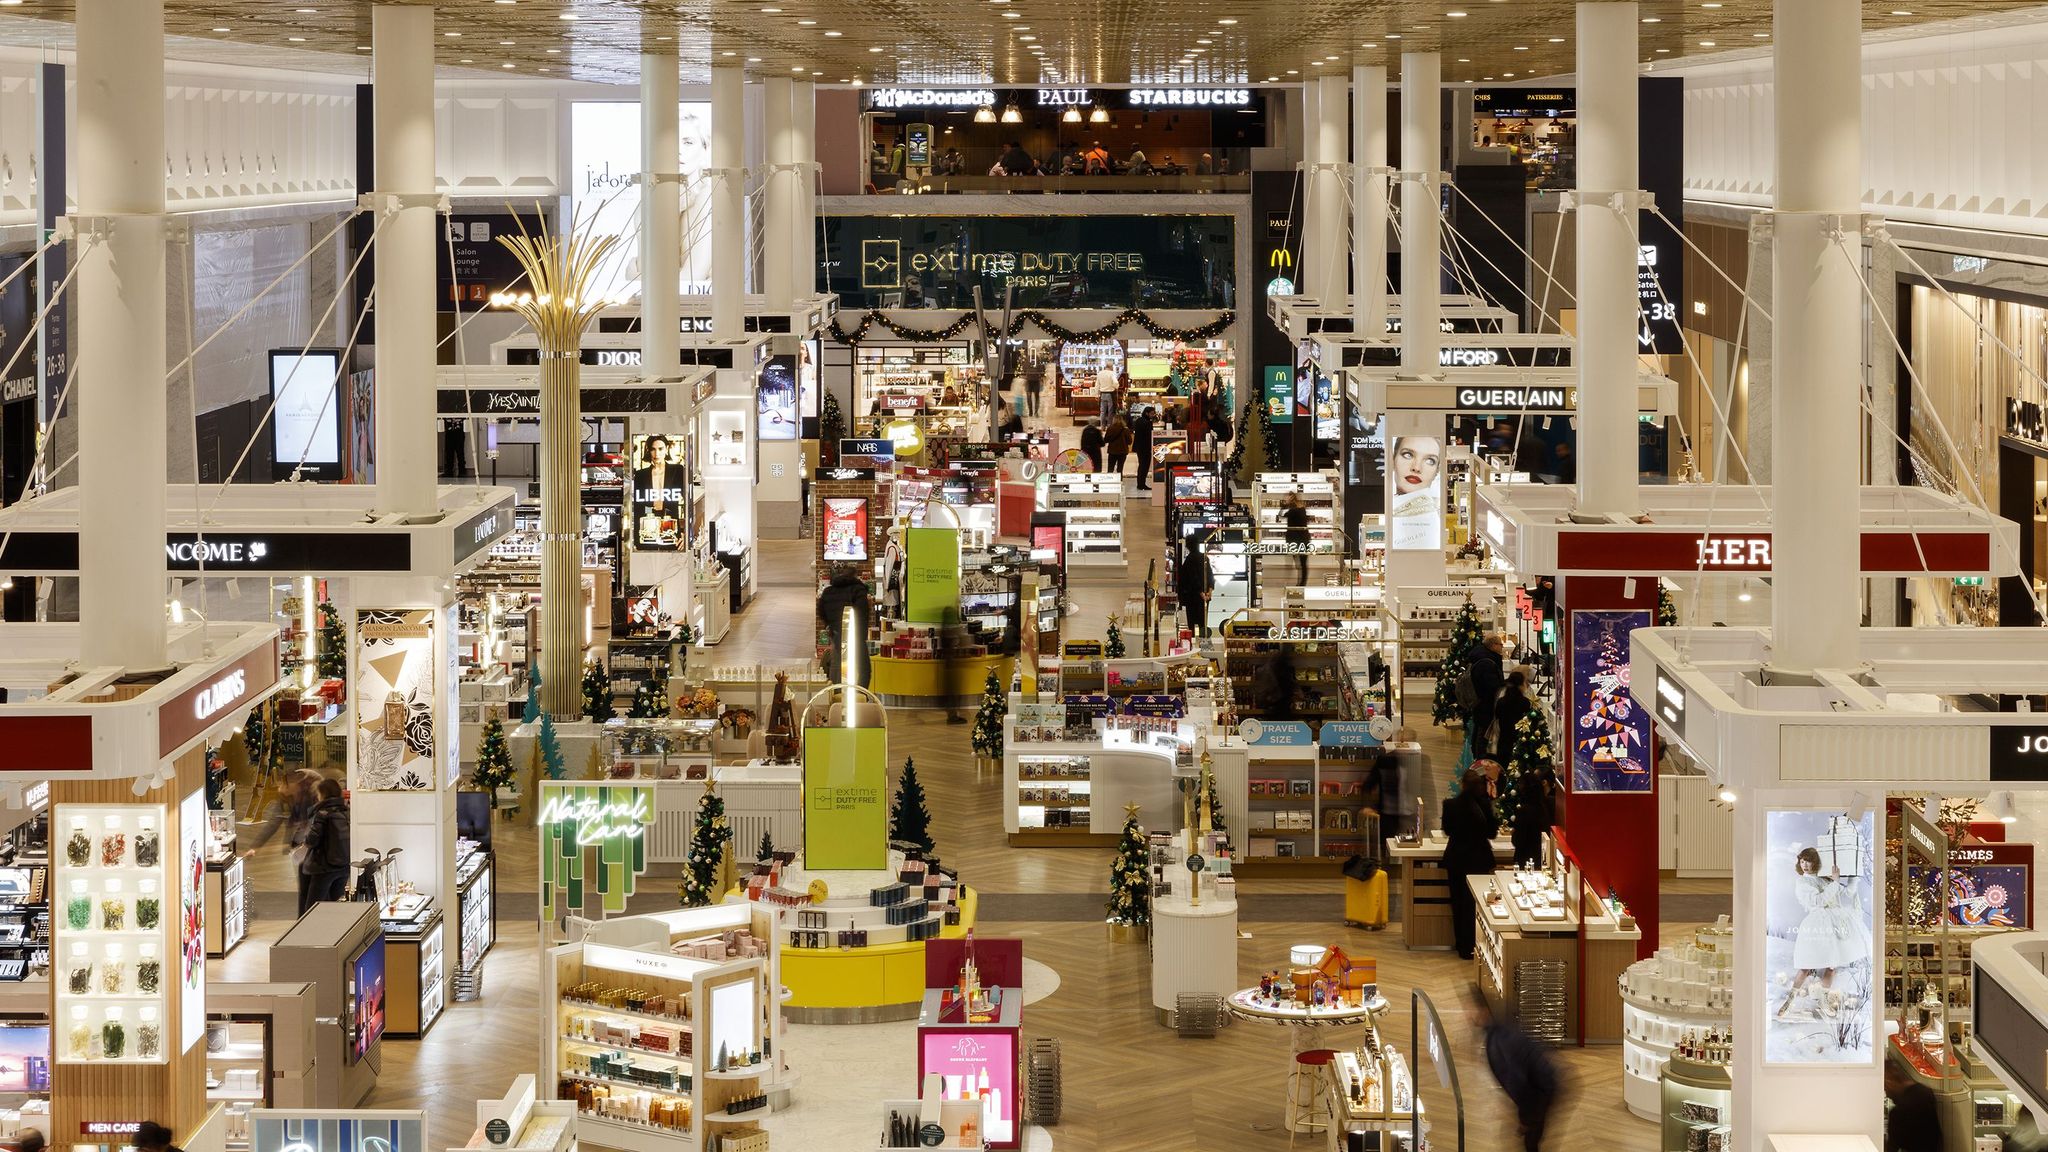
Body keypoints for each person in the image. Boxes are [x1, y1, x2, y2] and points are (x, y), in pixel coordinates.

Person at [1778, 845, 1869, 1020]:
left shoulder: (1825, 879)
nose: (1805, 864)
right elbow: (1818, 901)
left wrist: (1853, 872)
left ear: (1816, 862)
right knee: (1806, 965)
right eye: (1802, 860)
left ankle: (1824, 1001)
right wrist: (1834, 882)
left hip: (1835, 924)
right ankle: (1789, 1002)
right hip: (1817, 925)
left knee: (1831, 965)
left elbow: (1848, 892)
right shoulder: (1803, 882)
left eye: (1809, 860)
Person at [1441, 766, 1498, 960]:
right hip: (1479, 860)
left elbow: (1447, 830)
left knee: (1458, 904)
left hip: (1456, 859)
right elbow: (1492, 832)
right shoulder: (1484, 806)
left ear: (1462, 784)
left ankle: (1462, 946)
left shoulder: (1450, 805)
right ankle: (1477, 946)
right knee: (1476, 905)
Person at [1485, 1016, 1563, 1152]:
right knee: (1530, 1138)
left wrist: (1525, 1119)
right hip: (1541, 1086)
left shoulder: (1500, 1041)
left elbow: (1519, 1082)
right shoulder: (1498, 1035)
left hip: (1542, 1089)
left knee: (1531, 1140)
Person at [817, 565, 873, 687]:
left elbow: (821, 611)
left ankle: (836, 696)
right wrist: (862, 635)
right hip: (855, 634)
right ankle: (859, 696)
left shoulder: (828, 591)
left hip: (836, 634)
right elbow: (862, 614)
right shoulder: (858, 590)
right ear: (854, 575)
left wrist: (831, 626)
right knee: (863, 669)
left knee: (837, 667)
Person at [300, 778, 351, 909]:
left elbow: (312, 840)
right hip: (344, 866)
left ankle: (314, 929)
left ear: (322, 794)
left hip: (323, 867)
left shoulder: (322, 814)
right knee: (335, 905)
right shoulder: (347, 812)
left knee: (312, 908)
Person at [1884, 1058, 1944, 1152]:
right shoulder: (1926, 1093)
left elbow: (1891, 1149)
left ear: (1890, 1082)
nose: (1886, 1093)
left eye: (1885, 1088)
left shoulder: (1898, 1114)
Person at [1467, 633, 1507, 754]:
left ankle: (1477, 756)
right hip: (1485, 703)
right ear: (1493, 645)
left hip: (1479, 702)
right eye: (1501, 644)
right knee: (1483, 732)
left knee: (1480, 728)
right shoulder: (1487, 662)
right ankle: (1480, 758)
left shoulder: (1482, 656)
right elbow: (1492, 686)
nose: (1502, 647)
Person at [1511, 765, 1558, 869]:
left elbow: (1518, 840)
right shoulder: (1548, 805)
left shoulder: (1524, 811)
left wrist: (1514, 832)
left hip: (1526, 861)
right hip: (1543, 857)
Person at [1177, 535, 1215, 640]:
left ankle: (1193, 644)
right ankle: (1204, 644)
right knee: (1203, 622)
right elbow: (1210, 575)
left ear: (1188, 546)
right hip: (1205, 596)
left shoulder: (1189, 560)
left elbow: (1192, 578)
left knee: (1192, 623)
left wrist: (1200, 593)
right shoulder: (1204, 557)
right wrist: (1209, 591)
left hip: (1193, 597)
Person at [1494, 669, 1534, 763]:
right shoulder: (1525, 703)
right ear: (1520, 685)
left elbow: (1497, 716)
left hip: (1503, 742)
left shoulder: (1501, 701)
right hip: (1519, 742)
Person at [1283, 491, 1312, 588]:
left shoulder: (1293, 511)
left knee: (1300, 563)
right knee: (1302, 563)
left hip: (1297, 539)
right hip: (1303, 538)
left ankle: (1301, 583)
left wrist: (1284, 506)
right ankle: (1302, 583)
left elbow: (1282, 515)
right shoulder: (1301, 509)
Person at [1131, 406, 1156, 490]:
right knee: (1144, 466)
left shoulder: (1139, 420)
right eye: (1152, 414)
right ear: (1147, 413)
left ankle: (1140, 483)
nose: (1153, 415)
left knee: (1141, 466)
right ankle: (1142, 484)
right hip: (1145, 448)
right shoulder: (1147, 422)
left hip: (1139, 447)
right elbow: (1149, 435)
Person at [1104, 411, 1132, 478]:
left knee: (1110, 468)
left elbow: (1106, 440)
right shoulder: (1126, 430)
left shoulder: (1110, 429)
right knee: (1120, 469)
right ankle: (1119, 481)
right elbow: (1129, 441)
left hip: (1112, 451)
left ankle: (1109, 482)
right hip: (1123, 451)